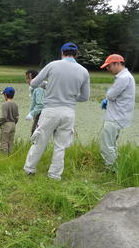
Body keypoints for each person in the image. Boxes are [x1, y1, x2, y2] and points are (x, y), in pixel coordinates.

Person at [23, 42, 90, 180]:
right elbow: (84, 97)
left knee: (40, 141)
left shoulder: (52, 65)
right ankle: (54, 175)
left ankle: (29, 169)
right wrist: (69, 96)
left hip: (50, 111)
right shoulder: (84, 71)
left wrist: (48, 85)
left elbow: (34, 83)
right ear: (76, 54)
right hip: (69, 112)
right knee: (60, 146)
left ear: (62, 53)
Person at [99, 54, 135, 169]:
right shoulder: (126, 76)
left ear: (117, 64)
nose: (107, 69)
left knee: (107, 145)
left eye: (109, 66)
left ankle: (111, 169)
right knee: (112, 144)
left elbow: (110, 95)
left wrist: (107, 97)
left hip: (115, 117)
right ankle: (115, 167)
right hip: (119, 116)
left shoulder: (123, 78)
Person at [0, 87, 19, 155]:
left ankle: (4, 158)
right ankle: (10, 157)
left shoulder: (4, 104)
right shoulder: (16, 104)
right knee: (11, 142)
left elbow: (4, 117)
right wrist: (14, 122)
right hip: (13, 124)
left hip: (6, 124)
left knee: (4, 143)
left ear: (6, 95)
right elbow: (17, 117)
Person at [25, 70, 45, 136]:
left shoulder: (39, 88)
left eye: (28, 78)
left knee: (34, 132)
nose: (27, 81)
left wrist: (31, 114)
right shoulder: (34, 88)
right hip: (38, 115)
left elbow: (40, 105)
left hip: (41, 115)